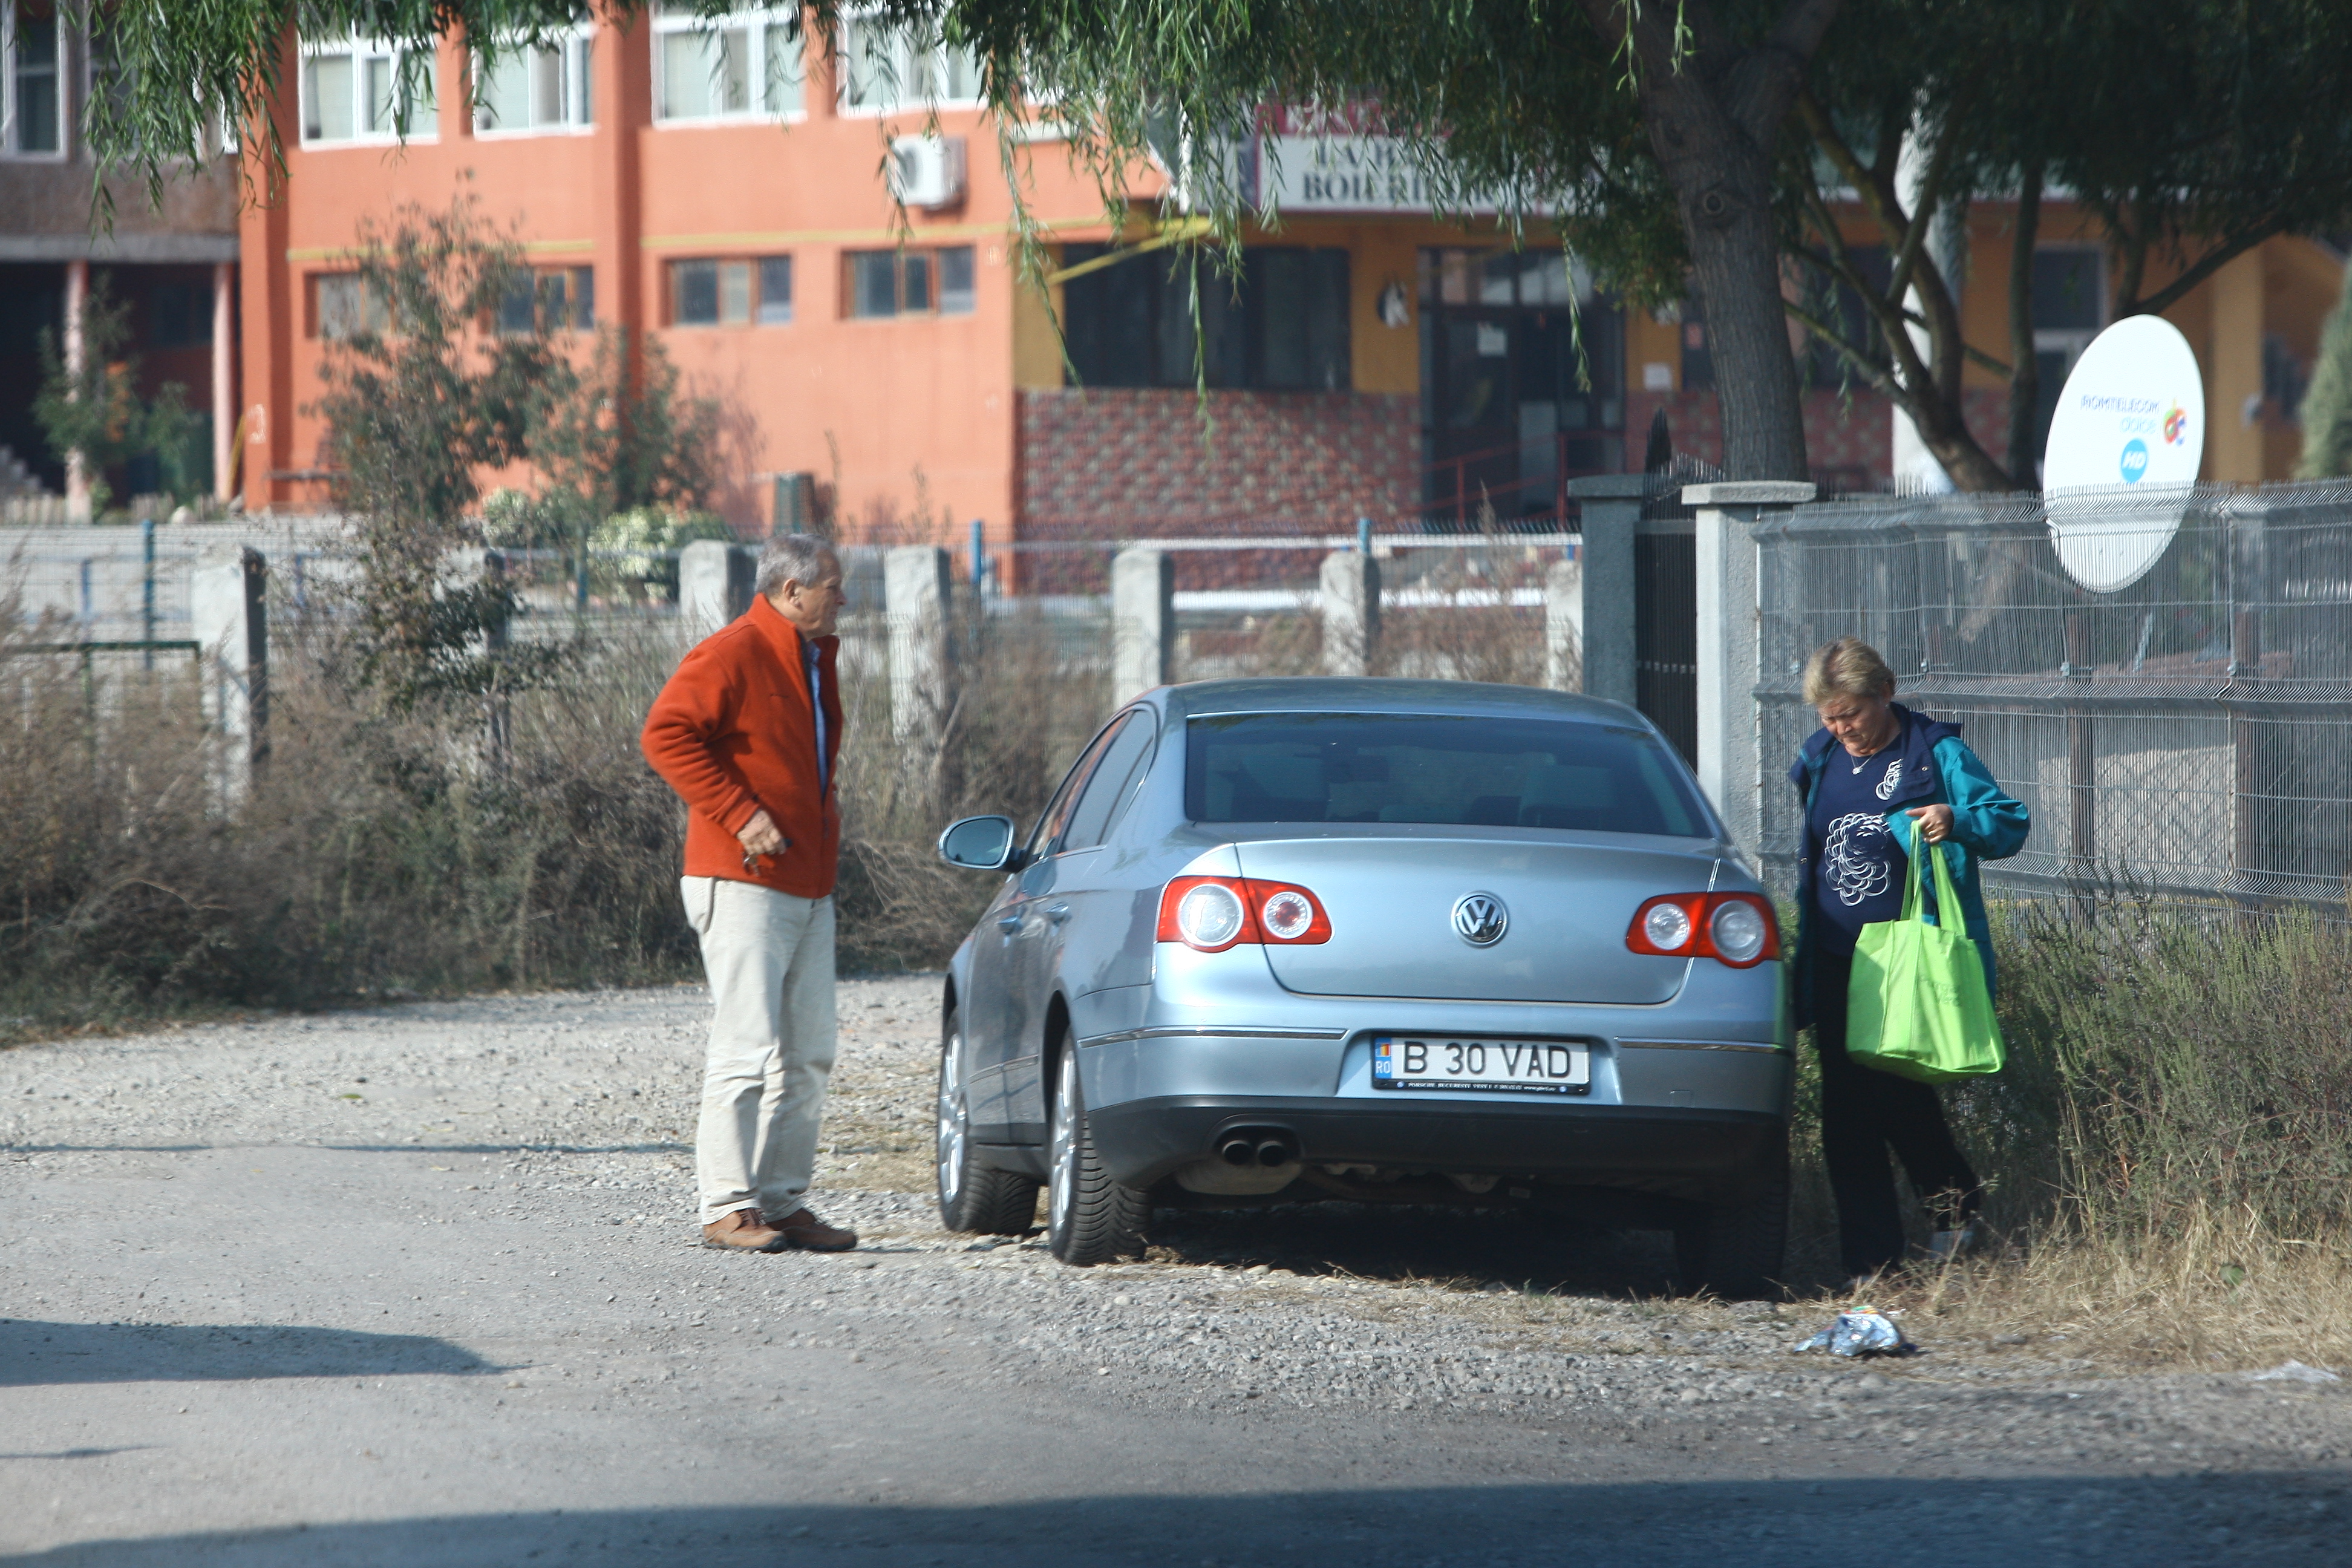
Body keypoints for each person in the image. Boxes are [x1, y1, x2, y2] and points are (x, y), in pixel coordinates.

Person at [641, 533, 858, 1254]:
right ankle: (727, 1208)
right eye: (832, 585)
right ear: (790, 592)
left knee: (810, 1051)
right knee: (745, 1050)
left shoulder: (815, 655)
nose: (842, 597)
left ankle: (780, 1201)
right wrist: (741, 815)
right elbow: (666, 735)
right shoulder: (733, 651)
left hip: (807, 884)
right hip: (741, 881)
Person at [1788, 636, 2028, 1283]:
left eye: (1852, 715)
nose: (1841, 730)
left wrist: (1957, 818)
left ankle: (1954, 1207)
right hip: (1839, 959)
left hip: (1909, 960)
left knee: (1901, 1097)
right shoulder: (1818, 760)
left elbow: (2008, 822)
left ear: (1885, 693)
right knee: (1844, 1113)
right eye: (1829, 718)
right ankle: (1871, 1264)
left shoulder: (1935, 752)